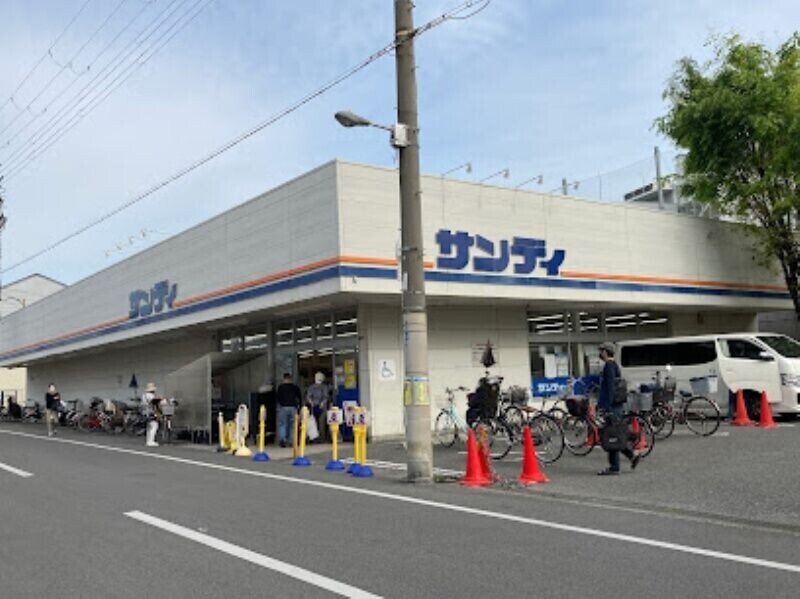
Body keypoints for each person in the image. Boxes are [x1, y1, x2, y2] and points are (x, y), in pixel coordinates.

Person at [597, 342, 640, 475]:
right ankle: (631, 455)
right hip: (617, 406)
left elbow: (610, 388)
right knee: (616, 434)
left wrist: (607, 406)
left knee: (612, 436)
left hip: (612, 407)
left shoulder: (609, 366)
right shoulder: (614, 365)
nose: (600, 353)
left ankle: (614, 467)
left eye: (601, 351)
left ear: (605, 352)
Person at [276, 373, 301, 448]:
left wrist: (279, 405)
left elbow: (278, 398)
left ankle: (283, 440)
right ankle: (291, 441)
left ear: (284, 379)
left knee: (283, 424)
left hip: (283, 407)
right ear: (291, 379)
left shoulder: (281, 387)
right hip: (293, 407)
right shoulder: (295, 387)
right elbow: (299, 397)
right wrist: (299, 406)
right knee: (292, 425)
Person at [306, 372, 330, 443]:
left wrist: (311, 402)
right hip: (322, 407)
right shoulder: (324, 387)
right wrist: (322, 403)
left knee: (314, 423)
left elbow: (308, 397)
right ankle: (321, 438)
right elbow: (326, 397)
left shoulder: (311, 387)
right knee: (321, 423)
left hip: (314, 407)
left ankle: (315, 438)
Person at [142, 382, 162, 447]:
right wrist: (160, 399)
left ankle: (148, 441)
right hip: (150, 412)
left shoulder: (144, 395)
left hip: (145, 412)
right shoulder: (150, 395)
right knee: (155, 425)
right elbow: (153, 401)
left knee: (149, 427)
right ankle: (151, 441)